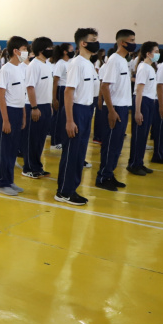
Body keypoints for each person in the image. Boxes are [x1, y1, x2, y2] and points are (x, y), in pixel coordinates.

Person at [55, 28, 99, 205]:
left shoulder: (89, 64)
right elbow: (68, 91)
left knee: (80, 153)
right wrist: (70, 120)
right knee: (72, 152)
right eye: (93, 39)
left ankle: (72, 188)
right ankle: (63, 191)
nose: (96, 42)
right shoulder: (76, 63)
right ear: (83, 43)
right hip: (77, 110)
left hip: (87, 110)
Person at [95, 29, 136, 191]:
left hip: (123, 107)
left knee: (117, 145)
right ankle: (102, 177)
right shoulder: (114, 60)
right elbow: (105, 86)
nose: (134, 43)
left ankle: (109, 174)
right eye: (131, 40)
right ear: (122, 43)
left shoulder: (123, 60)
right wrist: (111, 110)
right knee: (110, 144)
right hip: (115, 108)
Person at [0, 36, 27, 196]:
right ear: (16, 51)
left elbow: (22, 93)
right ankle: (1, 182)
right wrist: (5, 120)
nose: (26, 52)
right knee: (4, 149)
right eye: (24, 49)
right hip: (8, 111)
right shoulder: (6, 69)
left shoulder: (21, 68)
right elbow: (1, 94)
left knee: (13, 149)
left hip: (19, 111)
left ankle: (10, 180)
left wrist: (24, 115)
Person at [21, 37, 54, 179]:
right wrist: (34, 107)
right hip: (35, 106)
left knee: (40, 139)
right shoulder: (34, 65)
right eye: (49, 48)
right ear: (41, 50)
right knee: (32, 139)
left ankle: (37, 166)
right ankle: (28, 168)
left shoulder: (47, 64)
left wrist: (50, 105)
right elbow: (30, 87)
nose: (51, 50)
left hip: (45, 106)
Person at [127, 42, 160, 176]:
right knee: (138, 135)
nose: (158, 54)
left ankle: (139, 162)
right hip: (142, 102)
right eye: (156, 51)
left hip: (150, 101)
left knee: (144, 134)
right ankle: (133, 164)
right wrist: (138, 111)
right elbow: (139, 90)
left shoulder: (151, 67)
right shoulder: (143, 68)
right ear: (148, 53)